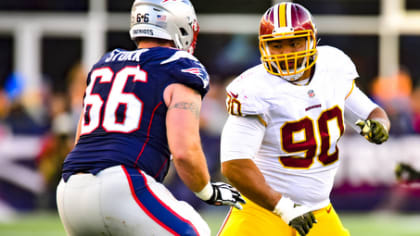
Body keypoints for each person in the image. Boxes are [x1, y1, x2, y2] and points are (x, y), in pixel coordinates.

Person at [56, 0, 244, 235]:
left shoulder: (104, 64)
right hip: (122, 185)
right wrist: (208, 192)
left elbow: (81, 141)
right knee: (197, 231)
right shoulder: (179, 65)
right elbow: (185, 150)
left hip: (70, 191)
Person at [217, 2, 390, 236]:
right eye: (277, 45)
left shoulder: (332, 67)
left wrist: (379, 127)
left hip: (318, 211)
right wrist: (283, 207)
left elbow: (372, 113)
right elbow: (234, 165)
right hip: (262, 210)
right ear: (264, 47)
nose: (287, 52)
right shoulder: (255, 88)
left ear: (311, 40)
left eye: (294, 42)